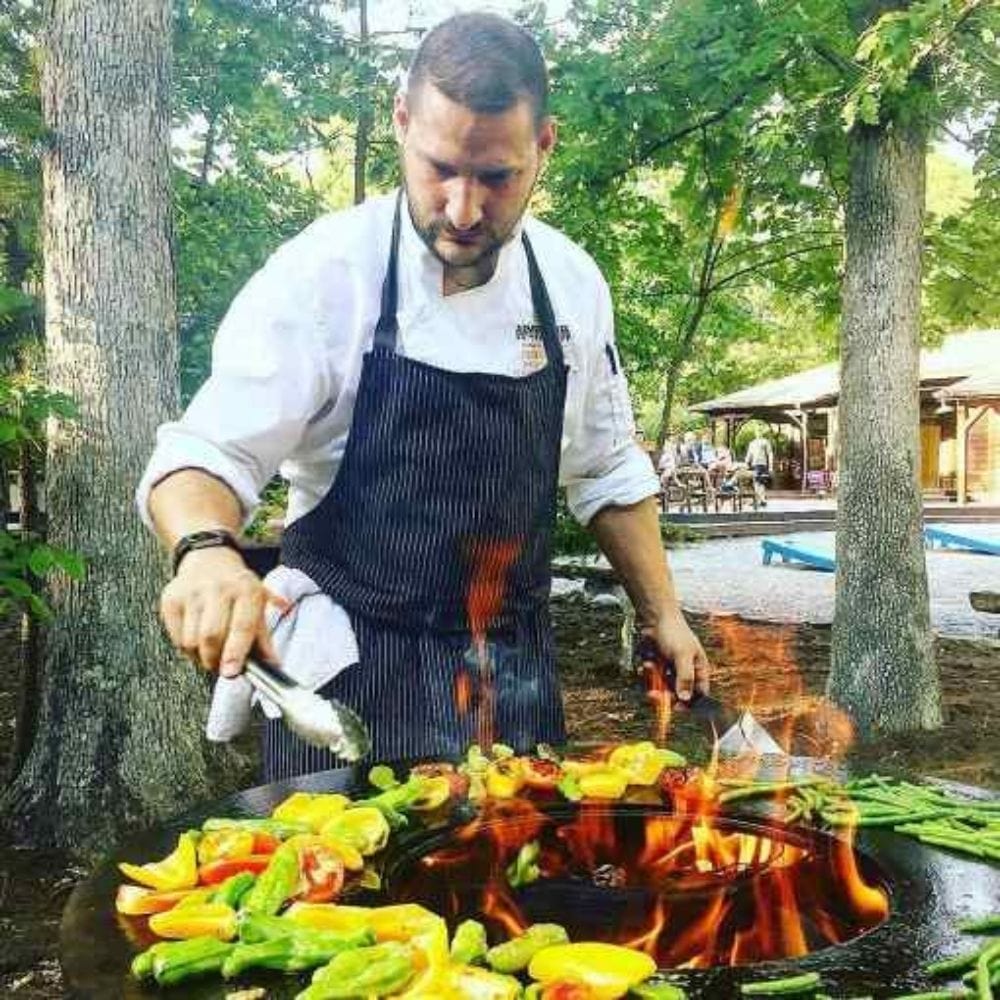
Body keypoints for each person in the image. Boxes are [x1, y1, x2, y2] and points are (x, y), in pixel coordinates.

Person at [138, 13, 709, 780]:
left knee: (523, 894)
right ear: (402, 124)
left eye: (497, 177)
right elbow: (205, 454)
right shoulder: (325, 275)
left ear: (544, 147)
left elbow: (605, 471)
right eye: (440, 167)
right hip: (351, 679)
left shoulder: (570, 286)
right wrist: (205, 552)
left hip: (513, 681)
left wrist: (662, 613)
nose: (464, 209)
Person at [744, 431, 774, 507]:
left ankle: (761, 500)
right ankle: (761, 500)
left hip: (762, 464)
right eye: (757, 431)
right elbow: (749, 454)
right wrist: (746, 463)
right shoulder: (752, 443)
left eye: (760, 431)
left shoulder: (765, 442)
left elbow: (770, 453)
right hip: (754, 464)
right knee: (757, 482)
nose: (758, 433)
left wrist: (770, 466)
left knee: (760, 482)